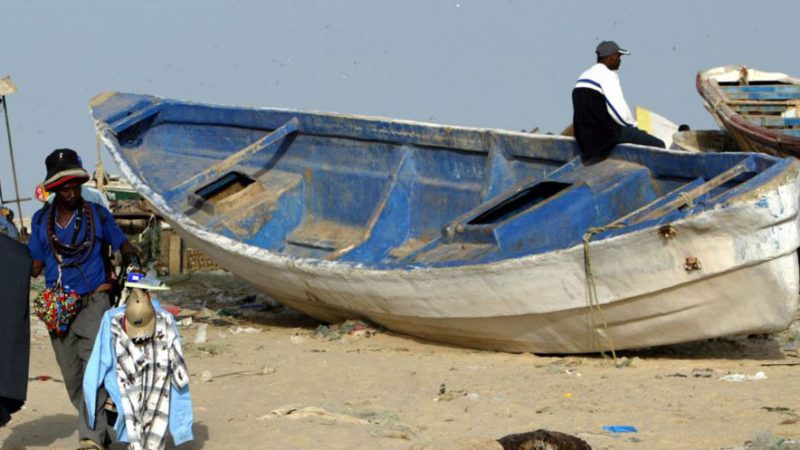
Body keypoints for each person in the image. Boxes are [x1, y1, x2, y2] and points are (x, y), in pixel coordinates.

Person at [28, 148, 140, 450]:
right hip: (58, 309)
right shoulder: (40, 221)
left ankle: (90, 437)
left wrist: (131, 256)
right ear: (54, 189)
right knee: (73, 377)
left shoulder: (97, 215)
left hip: (95, 302)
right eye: (65, 188)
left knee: (95, 370)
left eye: (75, 186)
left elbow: (122, 243)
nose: (71, 193)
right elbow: (35, 267)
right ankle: (104, 428)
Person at [572, 40, 665, 159]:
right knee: (658, 145)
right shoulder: (607, 75)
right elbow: (618, 111)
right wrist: (634, 129)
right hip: (604, 138)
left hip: (584, 140)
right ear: (611, 57)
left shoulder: (583, 77)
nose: (620, 60)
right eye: (618, 56)